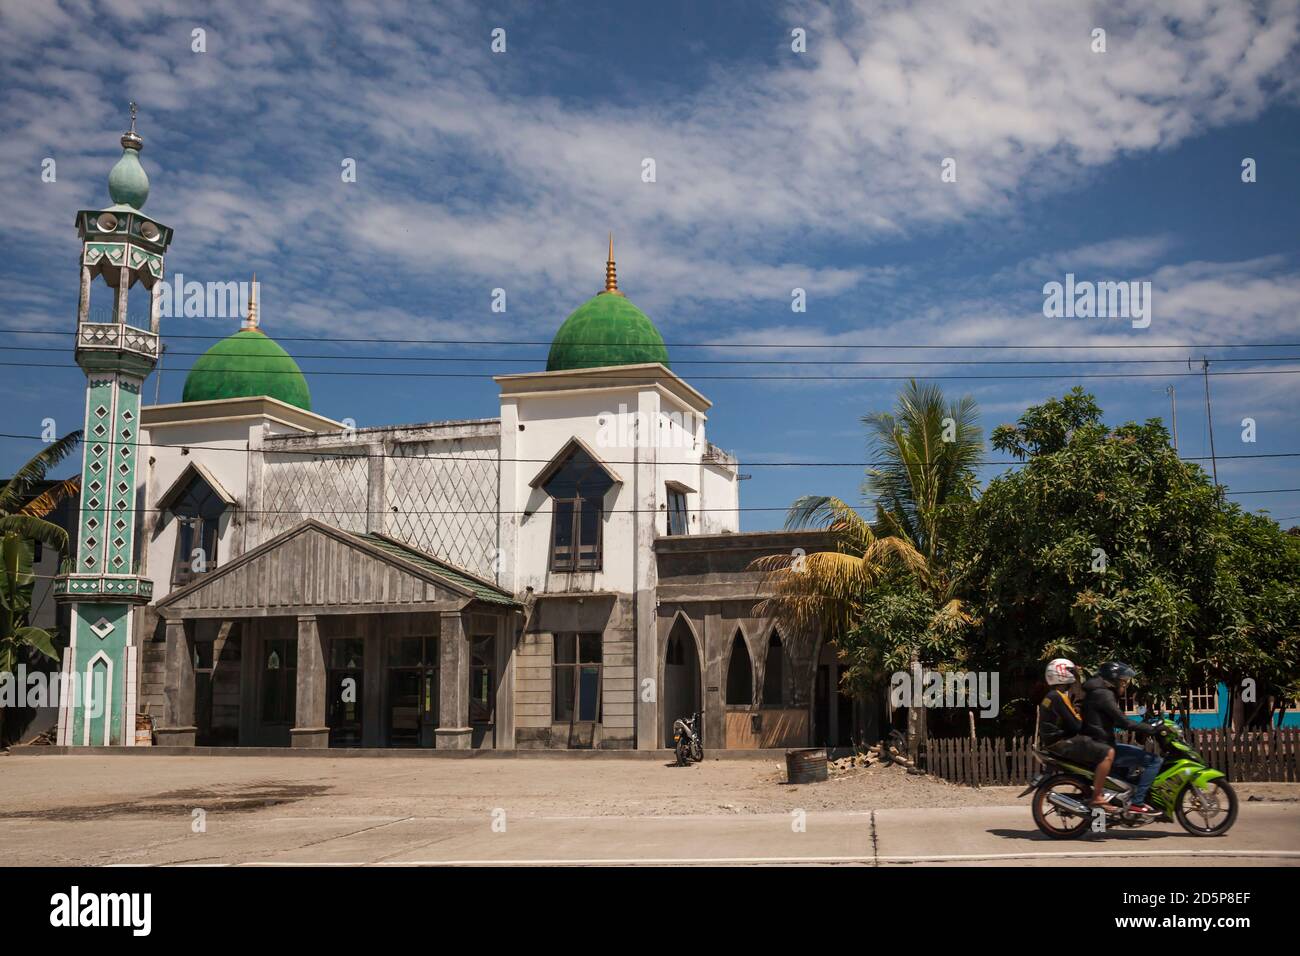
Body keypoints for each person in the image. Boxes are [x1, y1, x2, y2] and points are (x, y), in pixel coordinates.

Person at [1082, 662, 1163, 815]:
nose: (1125, 685)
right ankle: (1137, 803)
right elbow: (1123, 722)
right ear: (1113, 680)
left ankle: (1118, 804)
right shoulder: (1104, 695)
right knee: (1154, 761)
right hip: (1103, 746)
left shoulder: (1099, 692)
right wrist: (1151, 729)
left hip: (1100, 743)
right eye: (1122, 681)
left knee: (1133, 764)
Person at [1037, 658, 1115, 810]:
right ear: (1061, 674)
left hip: (1056, 741)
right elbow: (1076, 723)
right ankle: (1098, 796)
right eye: (1071, 672)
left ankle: (1093, 789)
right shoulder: (1058, 697)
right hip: (1061, 743)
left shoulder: (1052, 695)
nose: (1075, 676)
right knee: (1107, 752)